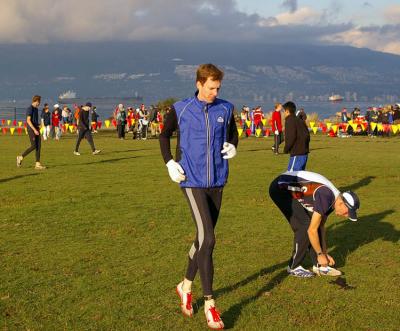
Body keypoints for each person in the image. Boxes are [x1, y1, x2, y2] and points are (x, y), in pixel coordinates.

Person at [159, 63, 238, 330]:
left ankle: (185, 286)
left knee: (202, 239)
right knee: (210, 238)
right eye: (211, 88)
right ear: (199, 84)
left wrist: (233, 146)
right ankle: (210, 304)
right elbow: (163, 135)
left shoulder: (226, 108)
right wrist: (170, 162)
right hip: (191, 180)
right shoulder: (181, 109)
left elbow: (233, 133)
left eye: (218, 88)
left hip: (217, 180)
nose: (215, 92)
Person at [269, 170, 360, 278]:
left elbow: (320, 226)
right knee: (304, 226)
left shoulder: (334, 202)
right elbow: (311, 230)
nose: (346, 216)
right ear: (341, 203)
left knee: (314, 224)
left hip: (292, 189)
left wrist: (324, 253)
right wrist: (320, 254)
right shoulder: (326, 196)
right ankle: (294, 267)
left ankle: (319, 265)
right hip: (280, 189)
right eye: (347, 212)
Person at [16, 95, 46, 170]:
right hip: (31, 130)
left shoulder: (36, 109)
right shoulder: (30, 109)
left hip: (36, 129)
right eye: (39, 102)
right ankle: (20, 157)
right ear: (37, 101)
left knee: (39, 146)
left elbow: (33, 120)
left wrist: (38, 125)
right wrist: (34, 130)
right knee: (34, 146)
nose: (39, 103)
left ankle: (37, 164)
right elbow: (28, 120)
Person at [283, 101, 310, 171]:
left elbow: (290, 137)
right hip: (304, 153)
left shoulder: (289, 120)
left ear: (287, 111)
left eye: (284, 111)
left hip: (297, 153)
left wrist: (286, 149)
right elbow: (307, 135)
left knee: (290, 176)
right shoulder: (300, 120)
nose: (283, 113)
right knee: (299, 176)